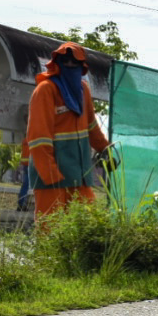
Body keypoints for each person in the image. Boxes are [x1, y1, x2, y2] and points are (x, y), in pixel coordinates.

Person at [26, 41, 110, 222]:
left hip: (79, 176)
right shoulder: (46, 90)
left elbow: (91, 126)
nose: (70, 66)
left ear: (82, 67)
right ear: (57, 63)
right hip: (52, 179)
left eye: (75, 63)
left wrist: (106, 149)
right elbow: (38, 138)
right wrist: (51, 175)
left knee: (88, 228)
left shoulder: (83, 91)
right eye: (66, 61)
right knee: (51, 233)